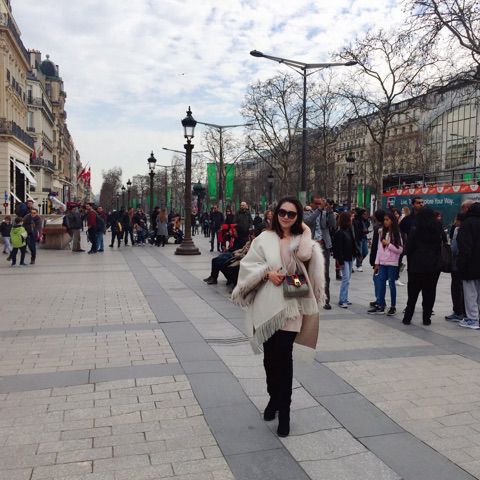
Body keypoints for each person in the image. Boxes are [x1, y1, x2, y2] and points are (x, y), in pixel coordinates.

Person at [232, 196, 325, 438]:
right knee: (270, 359)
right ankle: (273, 397)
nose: (285, 217)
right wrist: (266, 274)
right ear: (275, 213)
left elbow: (304, 258)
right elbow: (248, 265)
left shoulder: (301, 240)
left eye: (291, 214)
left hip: (292, 305)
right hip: (267, 306)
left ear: (298, 217)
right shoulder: (264, 238)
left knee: (284, 358)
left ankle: (285, 412)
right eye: (282, 212)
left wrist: (305, 231)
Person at [402, 207, 443, 326]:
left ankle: (407, 317)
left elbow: (409, 246)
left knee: (413, 293)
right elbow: (442, 243)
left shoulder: (416, 227)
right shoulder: (437, 226)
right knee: (430, 293)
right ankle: (426, 318)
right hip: (433, 266)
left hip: (416, 265)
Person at [368, 211, 403, 316]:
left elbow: (400, 249)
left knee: (392, 284)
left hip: (392, 263)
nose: (385, 222)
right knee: (381, 283)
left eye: (387, 220)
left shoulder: (396, 233)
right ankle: (381, 305)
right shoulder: (381, 232)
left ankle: (393, 306)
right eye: (384, 220)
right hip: (382, 263)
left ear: (392, 221)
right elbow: (379, 249)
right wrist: (377, 263)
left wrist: (389, 244)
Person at [457, 202, 480, 329]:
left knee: (470, 292)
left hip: (470, 264)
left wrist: (462, 262)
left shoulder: (467, 223)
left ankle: (472, 319)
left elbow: (464, 244)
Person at [313, 197, 336, 310]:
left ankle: (326, 300)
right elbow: (309, 221)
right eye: (317, 203)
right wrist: (319, 210)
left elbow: (332, 225)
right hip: (312, 246)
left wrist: (330, 211)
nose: (320, 205)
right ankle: (312, 297)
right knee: (311, 273)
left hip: (324, 246)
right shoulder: (309, 213)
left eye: (321, 203)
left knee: (325, 274)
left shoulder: (326, 213)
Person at [333, 212, 358, 308]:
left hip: (350, 257)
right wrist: (340, 261)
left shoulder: (349, 231)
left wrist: (357, 253)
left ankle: (344, 298)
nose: (352, 219)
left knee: (347, 279)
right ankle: (342, 300)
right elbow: (337, 249)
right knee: (346, 278)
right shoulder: (339, 233)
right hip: (344, 259)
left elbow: (353, 244)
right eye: (350, 218)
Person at [445, 213, 466, 322]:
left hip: (457, 263)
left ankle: (458, 312)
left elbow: (454, 248)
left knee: (456, 287)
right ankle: (466, 311)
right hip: (468, 263)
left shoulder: (458, 230)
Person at [368, 209, 386, 309]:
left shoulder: (377, 228)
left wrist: (373, 259)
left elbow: (375, 245)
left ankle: (380, 300)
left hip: (378, 258)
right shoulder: (385, 227)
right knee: (380, 279)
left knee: (377, 279)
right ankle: (379, 299)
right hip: (384, 257)